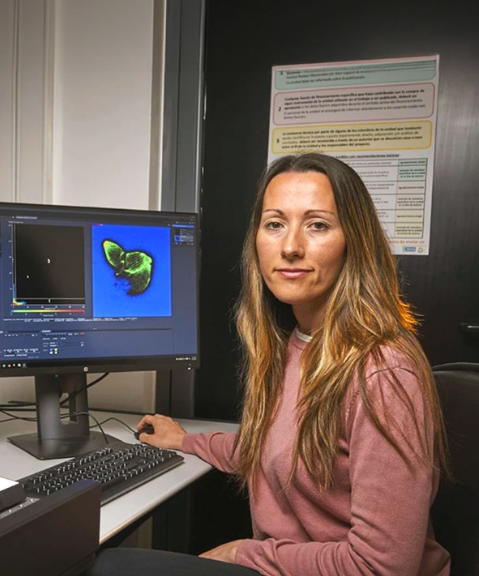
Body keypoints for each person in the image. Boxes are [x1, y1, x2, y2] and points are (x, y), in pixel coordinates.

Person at [88, 153, 451, 576]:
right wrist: (185, 442)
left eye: (317, 225)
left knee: (104, 566)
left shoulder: (382, 372)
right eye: (275, 224)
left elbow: (382, 566)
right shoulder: (292, 343)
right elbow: (277, 450)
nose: (291, 246)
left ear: (355, 240)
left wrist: (245, 554)